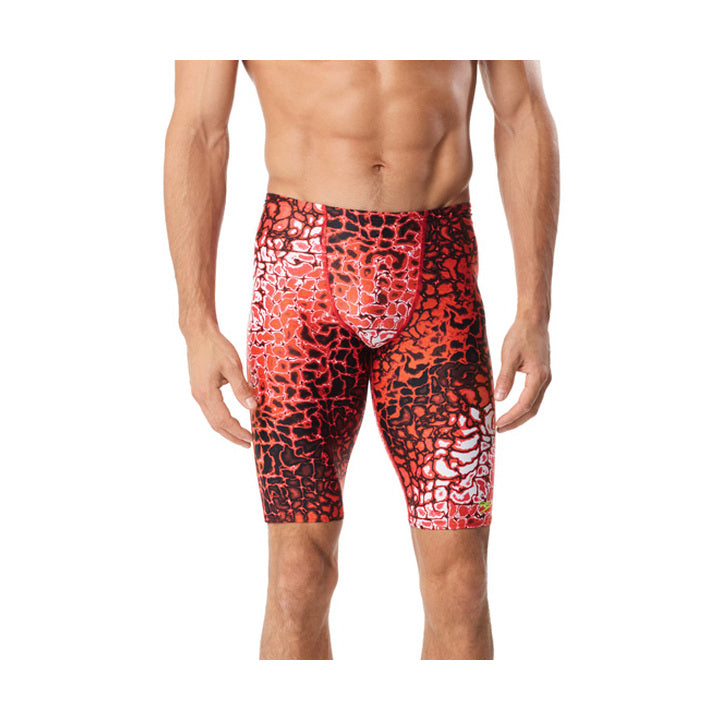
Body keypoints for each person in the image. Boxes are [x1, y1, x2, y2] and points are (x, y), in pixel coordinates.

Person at [163, 60, 558, 660]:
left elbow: (522, 112)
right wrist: (197, 324)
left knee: (461, 586)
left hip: (440, 278)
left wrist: (534, 310)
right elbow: (198, 128)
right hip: (299, 278)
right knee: (297, 578)